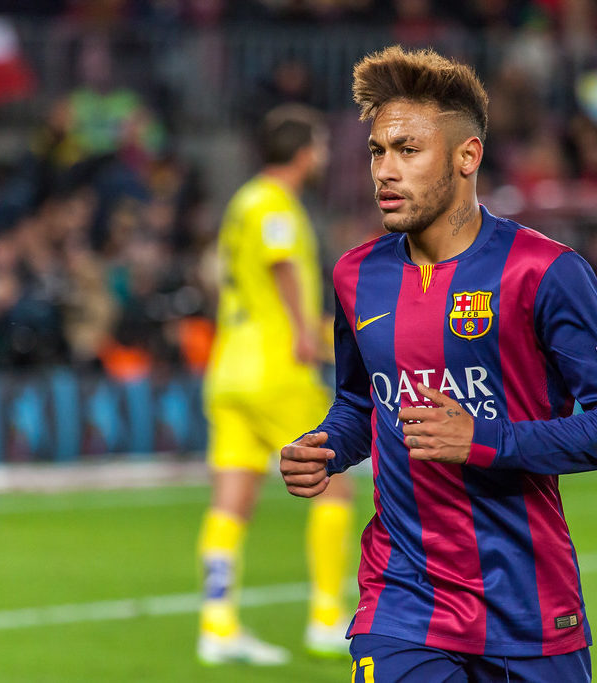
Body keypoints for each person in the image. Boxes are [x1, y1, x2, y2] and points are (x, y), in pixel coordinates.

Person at [280, 45, 596, 682]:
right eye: (377, 151)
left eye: (408, 150)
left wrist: (485, 440)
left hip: (530, 605)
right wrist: (328, 446)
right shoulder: (356, 276)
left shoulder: (545, 272)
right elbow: (361, 402)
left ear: (466, 156)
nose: (385, 171)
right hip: (403, 599)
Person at [198, 104, 354, 665]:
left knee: (231, 499)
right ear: (303, 152)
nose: (326, 154)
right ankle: (327, 619)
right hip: (275, 368)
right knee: (334, 484)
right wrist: (304, 332)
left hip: (229, 367)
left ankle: (217, 625)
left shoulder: (242, 202)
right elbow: (282, 263)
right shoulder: (275, 203)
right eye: (321, 144)